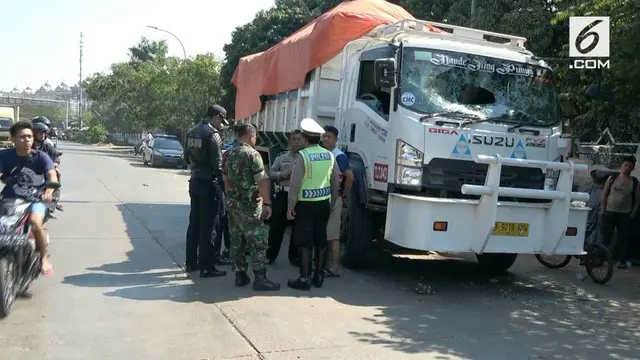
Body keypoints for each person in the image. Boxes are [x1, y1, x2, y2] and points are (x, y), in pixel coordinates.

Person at [222, 123, 280, 291]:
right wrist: (267, 203)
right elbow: (262, 181)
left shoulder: (227, 154)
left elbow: (225, 180)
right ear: (250, 136)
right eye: (255, 136)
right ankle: (260, 278)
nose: (256, 139)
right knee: (258, 241)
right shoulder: (253, 155)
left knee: (237, 239)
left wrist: (231, 199)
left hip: (233, 205)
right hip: (250, 206)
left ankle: (240, 275)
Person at [286, 118, 340, 291]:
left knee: (304, 242)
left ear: (305, 139)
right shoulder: (330, 155)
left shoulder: (303, 155)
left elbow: (294, 184)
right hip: (323, 204)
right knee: (321, 241)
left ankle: (304, 278)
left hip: (305, 205)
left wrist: (290, 207)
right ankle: (319, 276)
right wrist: (332, 202)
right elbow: (335, 182)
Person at [0, 122, 59, 276]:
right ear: (12, 139)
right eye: (22, 137)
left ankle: (44, 258)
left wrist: (50, 189)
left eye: (29, 136)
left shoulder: (41, 156)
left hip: (36, 200)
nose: (26, 140)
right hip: (9, 199)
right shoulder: (4, 155)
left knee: (35, 222)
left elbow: (51, 173)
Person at [183, 105, 228, 278]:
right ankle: (207, 267)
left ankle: (190, 263)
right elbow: (217, 166)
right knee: (210, 227)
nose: (220, 124)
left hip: (194, 181)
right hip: (209, 184)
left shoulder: (192, 131)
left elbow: (186, 157)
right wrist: (224, 189)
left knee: (194, 223)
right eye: (221, 120)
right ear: (216, 116)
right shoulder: (212, 135)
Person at [321, 125, 354, 277]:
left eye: (329, 137)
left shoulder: (338, 156)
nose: (326, 139)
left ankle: (334, 267)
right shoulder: (324, 153)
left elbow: (350, 176)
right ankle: (325, 264)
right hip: (323, 198)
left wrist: (343, 193)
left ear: (336, 139)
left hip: (335, 199)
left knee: (333, 235)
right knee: (325, 234)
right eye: (324, 136)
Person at [266, 130, 303, 265]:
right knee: (276, 227)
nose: (297, 142)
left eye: (299, 139)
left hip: (299, 197)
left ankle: (294, 257)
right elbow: (271, 172)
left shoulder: (305, 158)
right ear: (290, 141)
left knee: (297, 228)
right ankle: (270, 255)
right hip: (283, 194)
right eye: (294, 139)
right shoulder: (282, 157)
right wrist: (281, 174)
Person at [600, 156, 640, 269]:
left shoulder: (635, 182)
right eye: (625, 165)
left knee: (622, 239)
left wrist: (633, 213)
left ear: (633, 168)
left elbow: (637, 200)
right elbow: (605, 194)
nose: (627, 168)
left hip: (625, 214)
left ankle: (619, 259)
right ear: (621, 166)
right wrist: (603, 209)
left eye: (630, 166)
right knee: (605, 237)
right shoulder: (612, 178)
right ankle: (599, 258)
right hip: (609, 212)